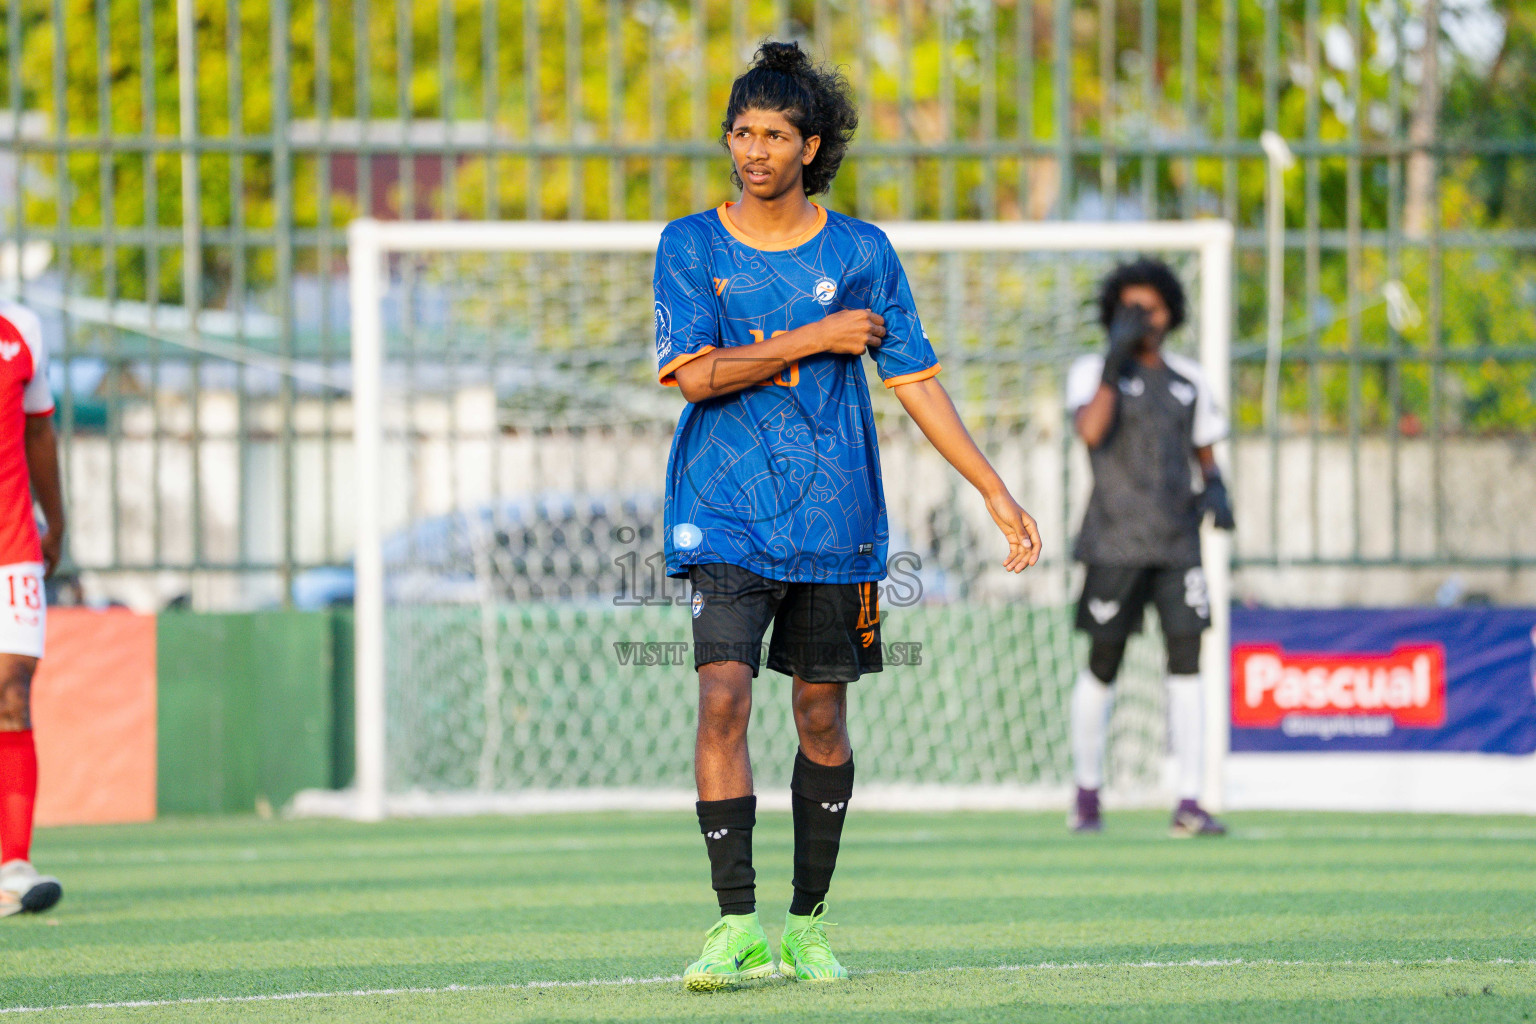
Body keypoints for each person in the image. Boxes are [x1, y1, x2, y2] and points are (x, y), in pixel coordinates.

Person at [653, 41, 1042, 991]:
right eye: (741, 133)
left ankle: (808, 923)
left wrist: (992, 488)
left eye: (773, 135)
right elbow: (694, 375)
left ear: (811, 146)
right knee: (722, 696)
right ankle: (736, 924)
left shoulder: (863, 253)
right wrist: (816, 336)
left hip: (837, 521)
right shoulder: (690, 245)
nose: (754, 151)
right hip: (723, 512)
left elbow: (916, 381)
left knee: (820, 715)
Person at [1063, 259, 1232, 838]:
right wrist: (1115, 361)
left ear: (1171, 314)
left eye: (1151, 308)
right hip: (1114, 542)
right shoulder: (1092, 372)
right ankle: (1087, 795)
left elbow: (1207, 454)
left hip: (1178, 545)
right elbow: (1090, 432)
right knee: (1103, 663)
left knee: (1187, 665)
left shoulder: (1190, 379)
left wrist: (1217, 488)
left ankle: (1190, 801)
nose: (1142, 319)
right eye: (1130, 308)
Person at [0, 299, 65, 916]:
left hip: (12, 543)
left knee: (12, 691)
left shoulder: (21, 329)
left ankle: (13, 866)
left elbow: (40, 431)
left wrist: (57, 521)